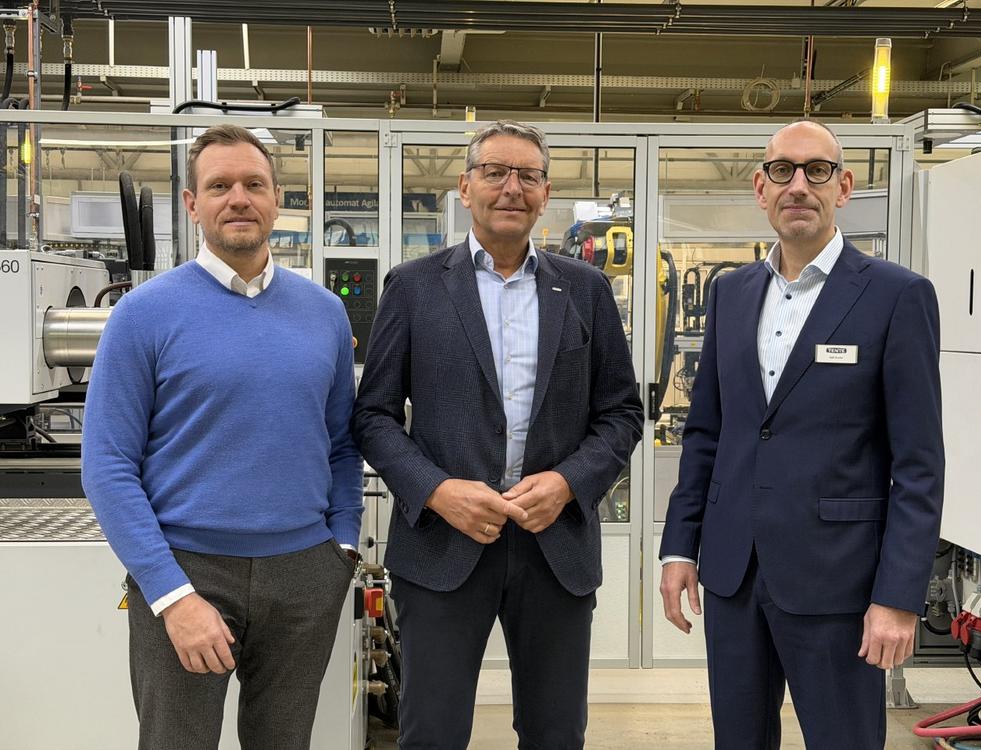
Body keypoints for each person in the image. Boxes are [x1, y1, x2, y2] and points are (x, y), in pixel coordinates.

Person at [352, 120, 643, 749]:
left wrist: (568, 483)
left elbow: (622, 413)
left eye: (528, 175)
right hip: (442, 545)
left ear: (545, 192)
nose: (512, 187)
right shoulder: (414, 286)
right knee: (431, 734)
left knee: (555, 733)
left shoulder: (586, 290)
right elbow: (373, 416)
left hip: (555, 549)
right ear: (465, 187)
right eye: (494, 172)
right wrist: (437, 491)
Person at [658, 119, 945, 750]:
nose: (798, 186)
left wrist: (898, 596)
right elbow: (706, 434)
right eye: (782, 170)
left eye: (817, 171)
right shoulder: (732, 293)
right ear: (760, 187)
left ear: (843, 187)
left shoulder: (897, 296)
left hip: (839, 583)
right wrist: (679, 547)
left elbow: (919, 465)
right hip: (733, 575)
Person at [81, 124, 363, 750]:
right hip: (187, 569)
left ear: (277, 199)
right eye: (219, 186)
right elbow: (107, 466)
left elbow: (342, 443)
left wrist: (341, 549)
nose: (239, 198)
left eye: (254, 184)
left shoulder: (323, 312)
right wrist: (171, 594)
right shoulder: (142, 314)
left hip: (305, 574)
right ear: (192, 203)